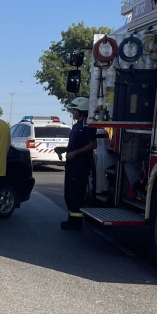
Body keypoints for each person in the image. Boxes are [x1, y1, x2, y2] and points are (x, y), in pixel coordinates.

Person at [61, 97, 97, 231]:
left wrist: (75, 153)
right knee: (69, 193)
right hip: (72, 165)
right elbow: (74, 144)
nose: (72, 112)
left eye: (74, 109)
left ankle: (76, 222)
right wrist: (64, 150)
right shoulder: (77, 125)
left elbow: (93, 144)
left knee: (76, 194)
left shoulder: (87, 126)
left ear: (81, 110)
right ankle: (71, 219)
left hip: (80, 166)